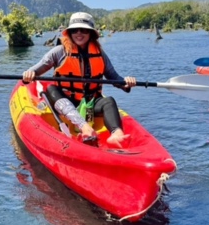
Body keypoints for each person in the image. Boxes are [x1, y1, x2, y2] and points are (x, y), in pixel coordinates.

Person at [23, 12, 137, 147]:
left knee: (109, 101)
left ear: (91, 33)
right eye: (74, 30)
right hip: (65, 101)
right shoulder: (59, 51)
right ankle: (85, 128)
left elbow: (114, 78)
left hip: (89, 103)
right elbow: (36, 70)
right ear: (69, 32)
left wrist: (126, 83)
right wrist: (28, 74)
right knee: (51, 89)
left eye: (83, 30)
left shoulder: (100, 53)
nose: (79, 33)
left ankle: (117, 134)